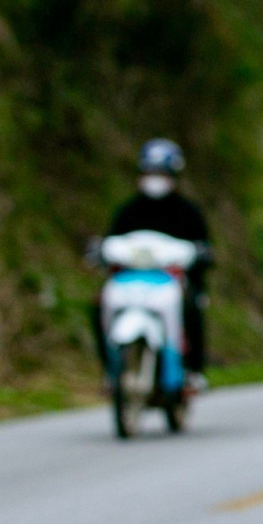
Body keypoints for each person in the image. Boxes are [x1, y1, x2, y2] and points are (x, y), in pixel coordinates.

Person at [97, 139, 212, 389]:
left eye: (161, 173)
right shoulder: (129, 211)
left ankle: (193, 368)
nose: (155, 179)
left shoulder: (188, 212)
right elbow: (111, 241)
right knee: (98, 304)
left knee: (192, 305)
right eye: (150, 172)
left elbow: (203, 248)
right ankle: (110, 368)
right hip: (132, 280)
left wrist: (201, 255)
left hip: (172, 282)